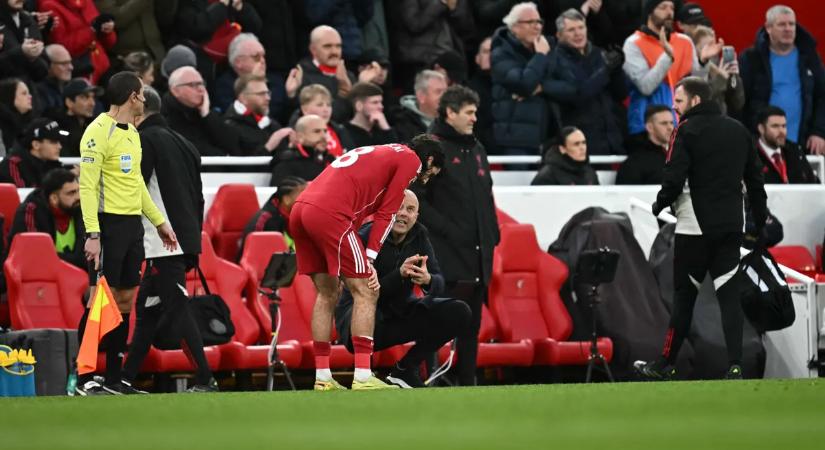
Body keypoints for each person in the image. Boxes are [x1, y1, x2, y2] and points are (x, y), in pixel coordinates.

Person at [636, 77, 768, 381]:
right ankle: (736, 365)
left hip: (694, 228)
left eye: (679, 101)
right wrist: (758, 221)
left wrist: (660, 204)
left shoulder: (685, 130)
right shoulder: (738, 130)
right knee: (729, 298)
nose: (675, 107)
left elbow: (673, 175)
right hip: (731, 225)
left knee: (684, 299)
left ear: (695, 101)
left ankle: (665, 364)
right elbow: (756, 180)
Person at [289, 135, 444, 391]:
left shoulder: (377, 150)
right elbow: (386, 213)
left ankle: (323, 377)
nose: (424, 179)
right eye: (430, 173)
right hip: (330, 213)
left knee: (327, 293)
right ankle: (362, 376)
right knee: (367, 290)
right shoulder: (410, 159)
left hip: (301, 209)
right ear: (428, 159)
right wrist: (369, 258)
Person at [75, 71, 177, 395]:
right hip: (106, 225)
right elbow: (87, 186)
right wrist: (92, 233)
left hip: (132, 226)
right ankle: (83, 377)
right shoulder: (96, 132)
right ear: (133, 96)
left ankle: (115, 379)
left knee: (125, 300)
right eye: (142, 94)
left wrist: (160, 222)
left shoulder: (133, 133)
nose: (145, 100)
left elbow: (136, 185)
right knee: (97, 300)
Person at [119, 86, 217, 394]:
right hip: (182, 238)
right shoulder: (185, 143)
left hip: (161, 242)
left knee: (176, 307)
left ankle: (205, 378)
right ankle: (123, 380)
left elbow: (134, 192)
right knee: (148, 312)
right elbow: (198, 197)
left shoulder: (143, 140)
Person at [335, 190, 471, 388]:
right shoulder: (365, 236)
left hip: (399, 314)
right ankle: (363, 377)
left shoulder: (420, 235)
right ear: (387, 210)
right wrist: (398, 275)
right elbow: (365, 294)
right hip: (359, 323)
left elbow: (439, 283)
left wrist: (427, 280)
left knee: (460, 312)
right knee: (368, 309)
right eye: (398, 207)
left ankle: (405, 369)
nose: (404, 214)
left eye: (410, 209)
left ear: (416, 216)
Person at [414, 85, 499, 385]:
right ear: (449, 113)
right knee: (436, 323)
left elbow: (487, 197)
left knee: (470, 326)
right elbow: (415, 199)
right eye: (469, 112)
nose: (475, 118)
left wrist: (493, 235)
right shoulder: (429, 147)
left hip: (477, 255)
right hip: (443, 255)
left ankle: (468, 381)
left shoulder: (477, 149)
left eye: (475, 112)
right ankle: (427, 381)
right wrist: (446, 230)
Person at [739, 5, 825, 155]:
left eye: (792, 24)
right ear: (768, 28)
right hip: (760, 145)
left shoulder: (810, 57)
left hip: (803, 144)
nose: (788, 29)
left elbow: (822, 96)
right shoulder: (751, 58)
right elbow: (740, 101)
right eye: (782, 24)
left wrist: (819, 132)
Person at [622, 0, 716, 135]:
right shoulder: (633, 43)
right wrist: (667, 57)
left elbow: (697, 88)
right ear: (650, 11)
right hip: (647, 128)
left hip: (683, 125)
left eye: (672, 8)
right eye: (663, 7)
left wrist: (702, 63)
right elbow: (645, 87)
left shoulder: (684, 41)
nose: (669, 12)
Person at [545, 8, 626, 156]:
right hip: (580, 140)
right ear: (559, 35)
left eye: (581, 27)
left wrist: (617, 69)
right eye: (571, 30)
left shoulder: (599, 54)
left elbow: (621, 93)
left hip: (611, 137)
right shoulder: (556, 60)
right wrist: (606, 70)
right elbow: (579, 94)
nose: (578, 33)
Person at [490, 2, 554, 155]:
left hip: (548, 137)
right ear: (514, 27)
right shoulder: (501, 53)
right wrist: (540, 56)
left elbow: (570, 83)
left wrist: (542, 87)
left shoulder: (549, 47)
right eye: (530, 22)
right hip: (516, 140)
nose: (537, 26)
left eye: (539, 21)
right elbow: (524, 84)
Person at [6, 167, 85, 270]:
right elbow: (34, 257)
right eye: (71, 193)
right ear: (54, 198)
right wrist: (75, 260)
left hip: (75, 277)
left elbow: (86, 258)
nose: (78, 197)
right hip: (38, 278)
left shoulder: (79, 209)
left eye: (78, 191)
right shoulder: (30, 211)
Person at [162, 66, 238, 156]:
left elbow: (233, 144)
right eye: (193, 85)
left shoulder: (205, 114)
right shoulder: (166, 118)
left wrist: (207, 114)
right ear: (175, 91)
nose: (201, 89)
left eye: (202, 84)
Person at [39, 0, 117, 84]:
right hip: (79, 73)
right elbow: (63, 49)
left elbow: (110, 43)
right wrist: (92, 30)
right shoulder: (49, 6)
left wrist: (107, 31)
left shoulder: (86, 2)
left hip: (103, 67)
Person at [288, 26, 355, 124]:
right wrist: (343, 91)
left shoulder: (349, 76)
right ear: (313, 49)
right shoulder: (301, 77)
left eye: (338, 46)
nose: (334, 51)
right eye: (327, 46)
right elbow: (327, 119)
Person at [214, 33, 285, 119]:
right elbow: (239, 116)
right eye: (256, 57)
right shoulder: (224, 86)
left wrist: (291, 95)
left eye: (263, 56)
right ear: (238, 62)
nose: (262, 61)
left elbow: (280, 111)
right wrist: (253, 81)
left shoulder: (276, 80)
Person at [223, 74, 292, 156]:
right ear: (243, 98)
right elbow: (239, 166)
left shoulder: (272, 125)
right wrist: (268, 147)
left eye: (268, 93)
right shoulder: (229, 127)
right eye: (261, 94)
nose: (268, 98)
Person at [239, 176, 307, 255]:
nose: (306, 199)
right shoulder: (267, 220)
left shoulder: (294, 216)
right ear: (286, 199)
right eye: (302, 195)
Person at [690, 26, 744, 117]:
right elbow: (703, 100)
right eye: (706, 47)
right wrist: (720, 78)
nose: (711, 52)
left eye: (713, 46)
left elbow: (738, 103)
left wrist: (734, 78)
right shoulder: (691, 71)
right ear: (695, 49)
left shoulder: (723, 66)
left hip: (722, 123)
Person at [756, 106, 818, 184]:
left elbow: (814, 184)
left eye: (784, 126)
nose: (782, 131)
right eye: (775, 126)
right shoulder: (749, 155)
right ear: (761, 129)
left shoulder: (796, 151)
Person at [616, 104, 673, 185]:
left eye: (671, 123)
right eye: (664, 123)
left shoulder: (678, 155)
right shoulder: (634, 163)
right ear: (650, 127)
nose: (670, 127)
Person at [269, 115, 333, 186]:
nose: (324, 136)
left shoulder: (331, 159)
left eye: (325, 131)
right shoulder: (287, 162)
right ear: (300, 137)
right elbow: (282, 195)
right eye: (317, 131)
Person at [292, 84, 353, 158]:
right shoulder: (293, 133)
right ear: (305, 109)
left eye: (328, 105)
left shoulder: (340, 130)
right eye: (319, 105)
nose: (326, 110)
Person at [0, 118, 65, 187]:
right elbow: (21, 196)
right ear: (36, 145)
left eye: (59, 142)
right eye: (53, 142)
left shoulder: (53, 164)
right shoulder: (13, 165)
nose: (59, 146)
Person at [389, 70, 447, 143]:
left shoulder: (454, 119)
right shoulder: (402, 124)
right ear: (421, 96)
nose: (445, 97)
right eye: (438, 92)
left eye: (446, 92)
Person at [530, 126, 599, 185]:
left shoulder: (590, 172)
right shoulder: (548, 176)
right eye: (576, 144)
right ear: (562, 149)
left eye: (584, 143)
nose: (582, 148)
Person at [0, 0, 49, 83]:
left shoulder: (27, 19)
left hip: (28, 90)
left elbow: (43, 69)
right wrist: (21, 53)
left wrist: (31, 58)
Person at [53, 78, 101, 157]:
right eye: (84, 97)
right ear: (69, 102)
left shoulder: (96, 126)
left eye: (93, 97)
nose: (92, 103)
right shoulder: (57, 128)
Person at [344, 82, 397, 148]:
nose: (381, 106)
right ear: (359, 105)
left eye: (381, 102)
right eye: (375, 102)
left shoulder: (381, 130)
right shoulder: (345, 132)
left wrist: (386, 128)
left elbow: (396, 152)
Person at [467, 36, 497, 154]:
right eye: (485, 51)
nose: (490, 55)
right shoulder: (469, 90)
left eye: (493, 51)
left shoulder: (510, 87)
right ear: (477, 58)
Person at [35, 44, 73, 117]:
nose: (71, 67)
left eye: (70, 62)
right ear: (47, 65)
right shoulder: (39, 93)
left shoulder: (69, 88)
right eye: (64, 63)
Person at [0, 77, 35, 154]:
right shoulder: (3, 126)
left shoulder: (27, 124)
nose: (30, 96)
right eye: (24, 93)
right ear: (9, 96)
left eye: (29, 93)